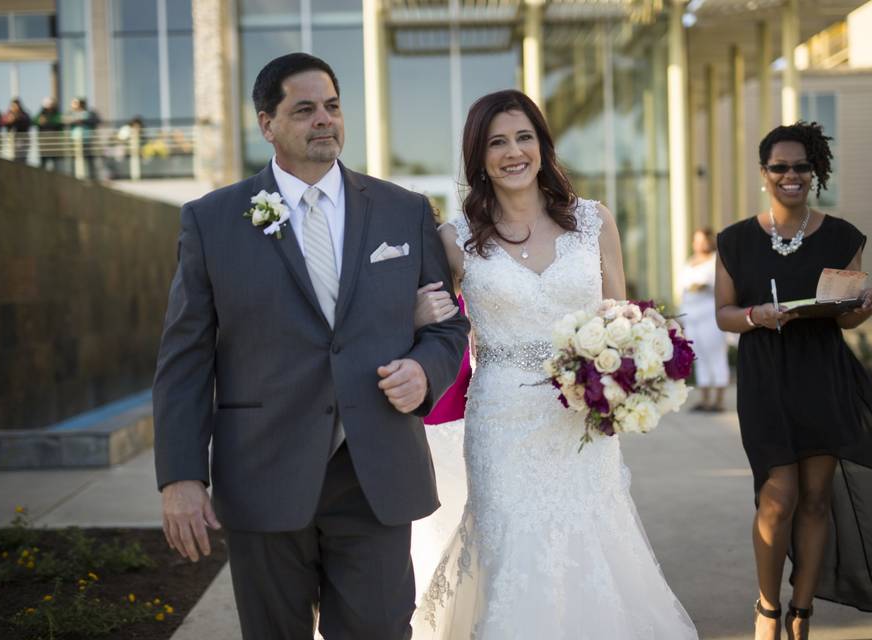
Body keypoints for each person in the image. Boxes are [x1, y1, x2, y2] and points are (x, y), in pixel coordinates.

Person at [152, 52, 468, 639]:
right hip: (263, 472)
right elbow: (185, 359)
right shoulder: (213, 220)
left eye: (332, 106)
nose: (324, 120)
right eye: (304, 110)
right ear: (267, 124)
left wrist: (425, 370)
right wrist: (180, 476)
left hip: (374, 470)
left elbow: (448, 326)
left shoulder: (403, 211)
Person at [412, 89, 698, 639]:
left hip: (580, 421)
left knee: (592, 544)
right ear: (478, 158)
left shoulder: (593, 221)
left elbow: (625, 319)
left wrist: (631, 380)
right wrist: (420, 314)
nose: (513, 151)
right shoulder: (456, 240)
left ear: (543, 145)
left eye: (524, 137)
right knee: (512, 550)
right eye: (497, 142)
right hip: (500, 422)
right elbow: (432, 325)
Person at [714, 121, 872, 640]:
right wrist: (755, 316)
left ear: (814, 174)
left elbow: (845, 315)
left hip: (824, 376)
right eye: (780, 167)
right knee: (777, 496)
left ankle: (802, 611)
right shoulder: (735, 240)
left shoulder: (842, 236)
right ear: (763, 173)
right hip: (766, 377)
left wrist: (870, 305)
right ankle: (768, 608)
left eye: (800, 167)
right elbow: (724, 312)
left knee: (816, 498)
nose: (790, 175)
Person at [678, 227, 729, 411]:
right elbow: (684, 291)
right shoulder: (689, 262)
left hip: (710, 316)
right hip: (692, 316)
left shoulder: (717, 260)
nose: (700, 245)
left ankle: (719, 400)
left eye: (703, 241)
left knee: (716, 355)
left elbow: (717, 285)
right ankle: (705, 399)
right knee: (699, 357)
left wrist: (701, 286)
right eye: (697, 241)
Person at [35, 97, 64, 171]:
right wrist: (39, 121)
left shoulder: (56, 114)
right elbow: (34, 120)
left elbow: (58, 121)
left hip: (55, 143)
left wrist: (47, 122)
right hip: (43, 142)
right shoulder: (40, 114)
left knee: (55, 162)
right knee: (43, 161)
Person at [0, 98, 31, 163]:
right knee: (11, 157)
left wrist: (17, 119)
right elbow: (2, 122)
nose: (15, 107)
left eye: (16, 105)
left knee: (21, 157)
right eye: (13, 106)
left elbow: (28, 123)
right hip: (10, 139)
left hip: (22, 139)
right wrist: (9, 121)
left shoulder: (24, 114)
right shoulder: (8, 114)